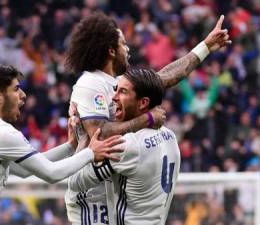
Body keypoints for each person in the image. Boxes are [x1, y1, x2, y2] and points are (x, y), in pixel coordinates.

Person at [64, 12, 231, 225]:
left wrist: (204, 47)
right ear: (111, 51)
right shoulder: (90, 84)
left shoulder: (118, 83)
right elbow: (98, 133)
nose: (129, 49)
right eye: (124, 44)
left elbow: (165, 77)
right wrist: (146, 120)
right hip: (92, 200)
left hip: (113, 188)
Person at [0, 65, 124, 225]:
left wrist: (70, 146)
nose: (23, 95)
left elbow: (25, 170)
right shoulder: (1, 132)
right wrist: (91, 152)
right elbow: (51, 173)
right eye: (16, 89)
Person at [68, 68, 180, 225]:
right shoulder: (170, 136)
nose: (114, 98)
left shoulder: (126, 146)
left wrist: (83, 135)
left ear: (143, 103)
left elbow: (75, 182)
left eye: (123, 92)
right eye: (116, 90)